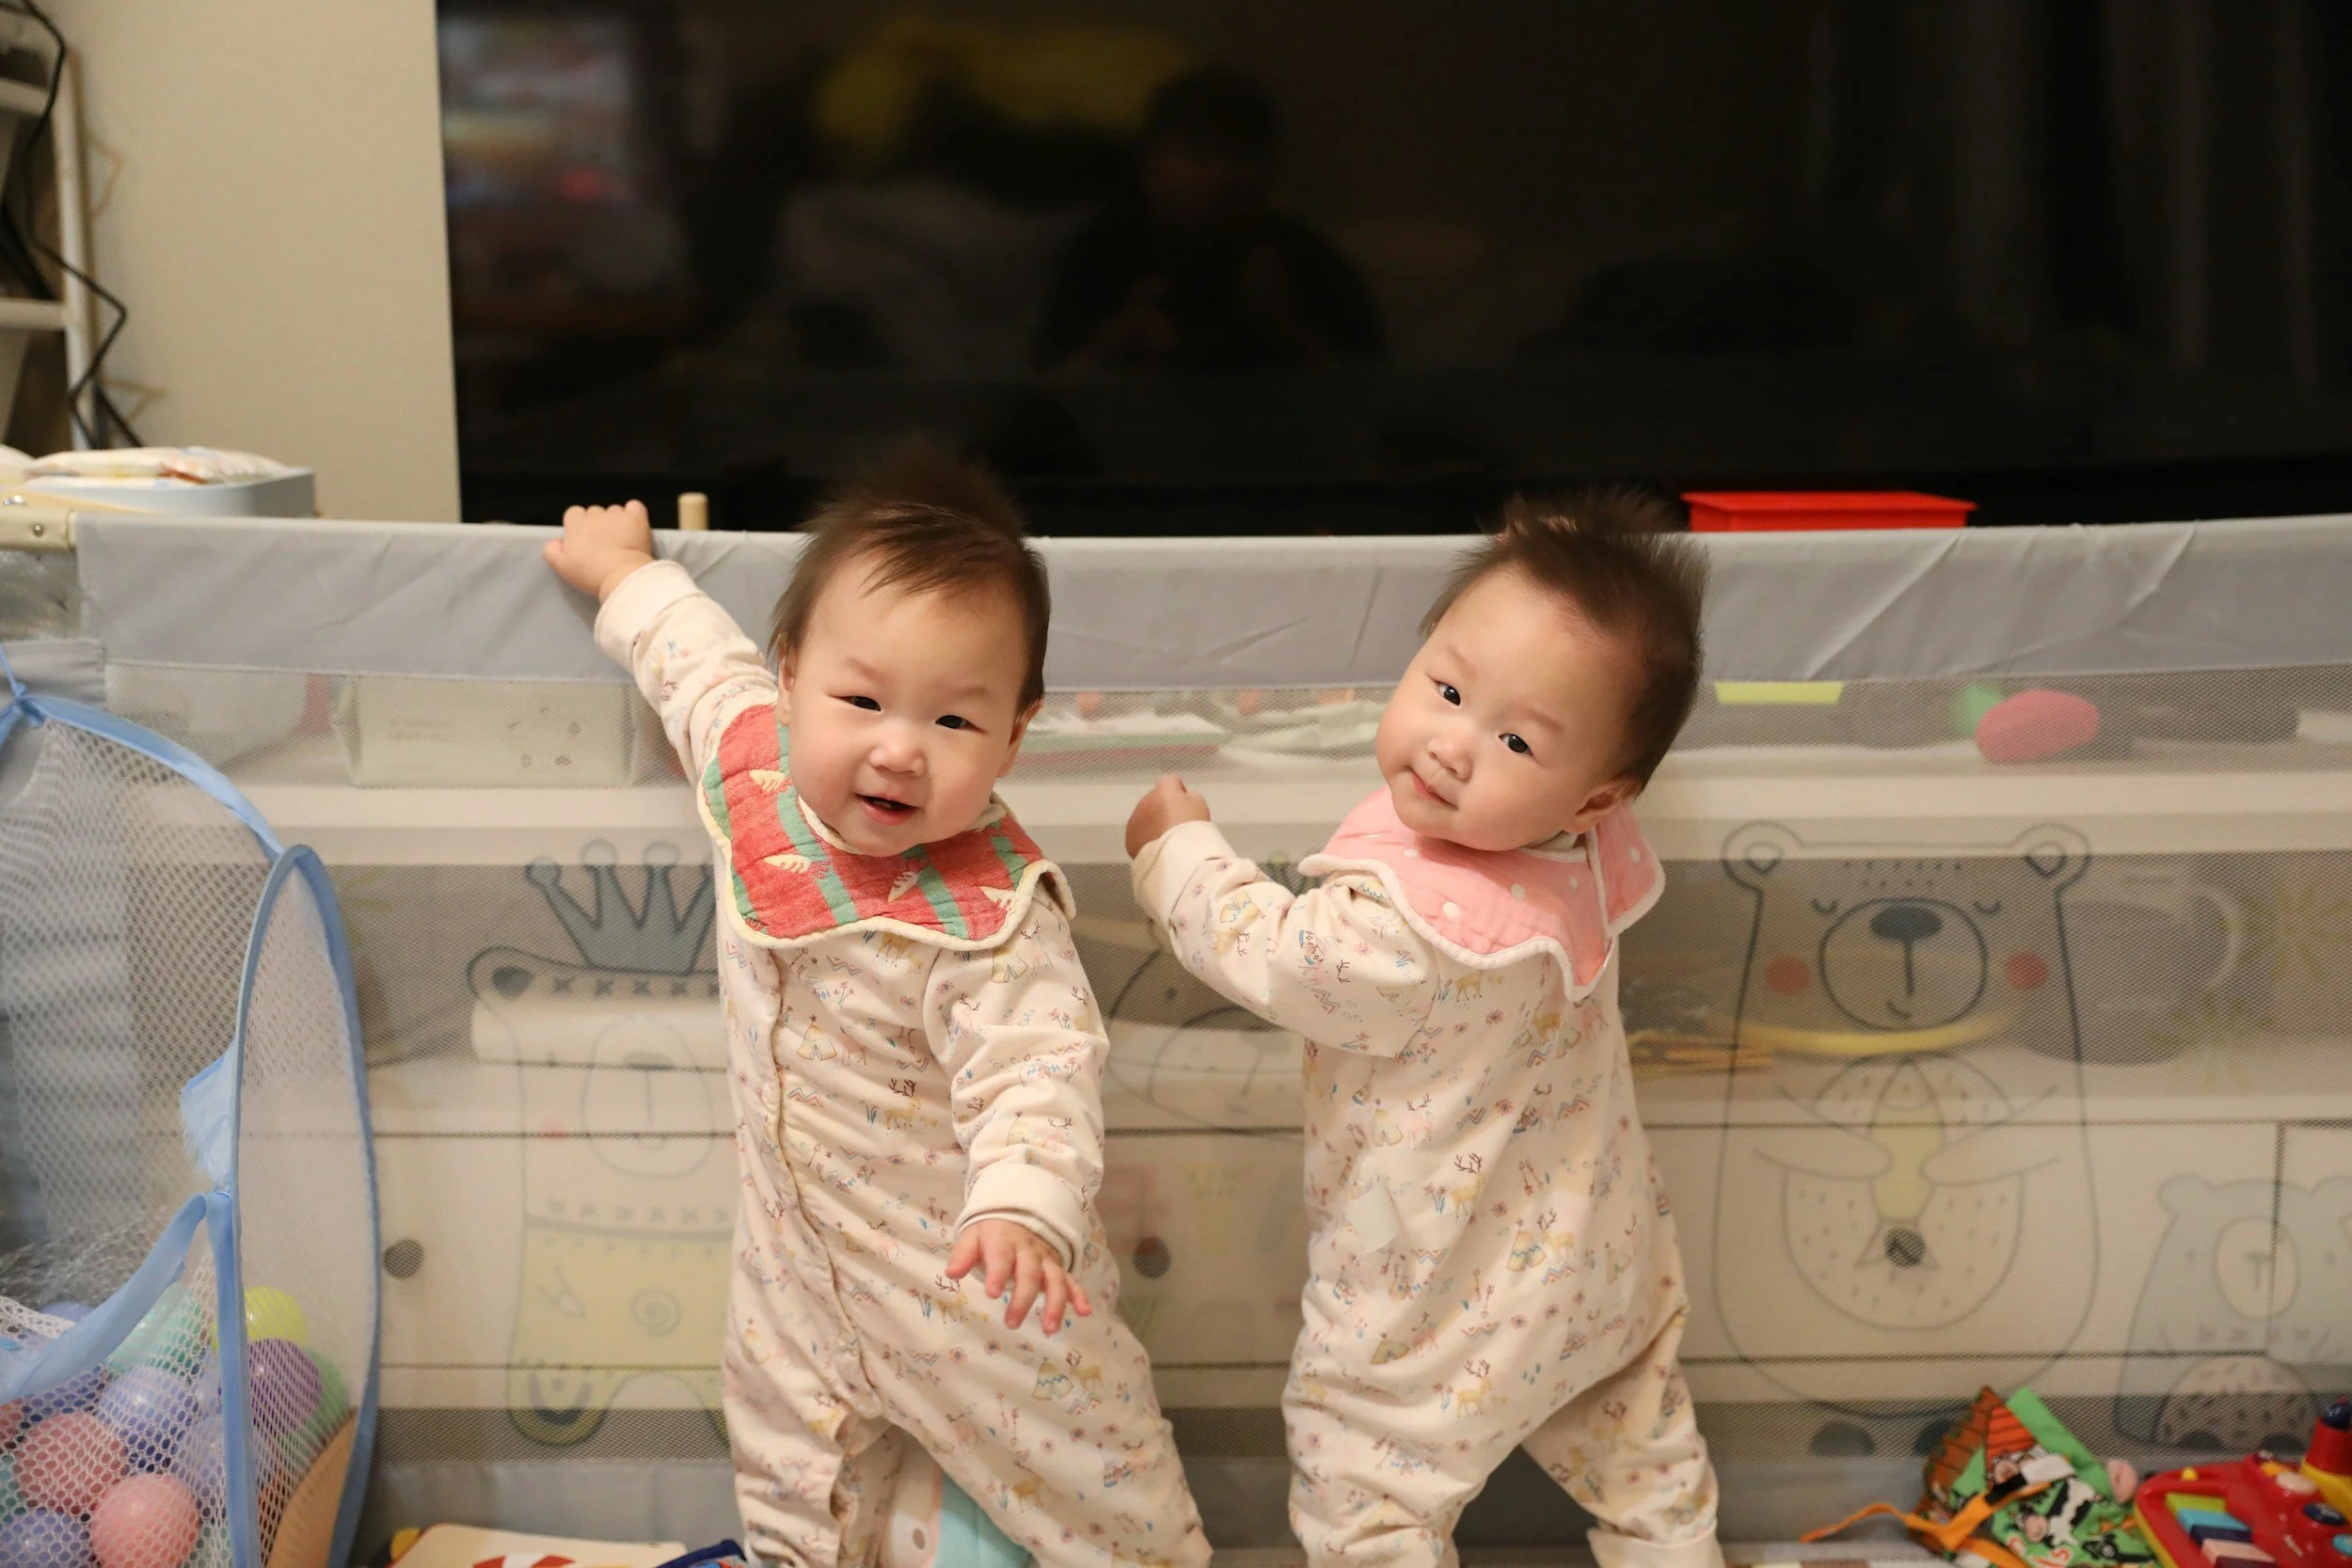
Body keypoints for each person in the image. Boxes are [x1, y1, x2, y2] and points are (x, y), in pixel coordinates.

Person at [544, 448, 1208, 1568]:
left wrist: (1022, 1207)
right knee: (791, 1466)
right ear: (793, 672)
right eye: (860, 700)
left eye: (955, 721)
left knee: (1095, 1476)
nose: (898, 746)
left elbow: (1040, 1069)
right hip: (792, 1264)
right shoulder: (752, 762)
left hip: (970, 1280)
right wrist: (622, 574)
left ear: (1015, 731)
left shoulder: (990, 913)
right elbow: (692, 659)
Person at [1121, 491, 1721, 1568]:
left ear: (1591, 795)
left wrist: (1178, 850)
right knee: (1645, 1463)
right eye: (1445, 687)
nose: (1450, 746)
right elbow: (1565, 689)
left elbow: (1269, 946)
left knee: (1366, 1489)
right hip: (1600, 1270)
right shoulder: (1583, 850)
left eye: (1513, 738)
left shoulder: (1403, 928)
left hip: (1440, 1305)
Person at [1035, 67, 1383, 372]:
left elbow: (1377, 403)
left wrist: (1283, 327)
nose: (1222, 176)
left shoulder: (1304, 257)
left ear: (1271, 170)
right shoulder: (1102, 250)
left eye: (1241, 157)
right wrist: (1119, 337)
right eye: (1198, 155)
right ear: (1150, 167)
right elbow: (1036, 397)